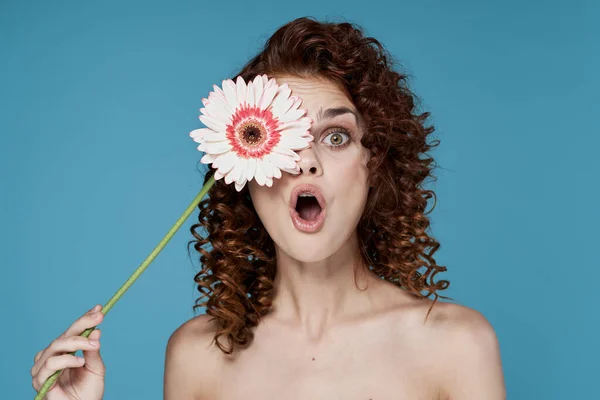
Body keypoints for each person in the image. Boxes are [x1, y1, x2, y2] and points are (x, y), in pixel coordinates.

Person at [31, 17, 506, 400]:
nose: (306, 162)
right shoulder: (197, 355)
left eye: (335, 137)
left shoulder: (456, 345)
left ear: (374, 161)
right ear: (243, 171)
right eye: (285, 139)